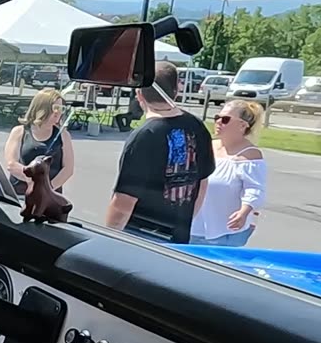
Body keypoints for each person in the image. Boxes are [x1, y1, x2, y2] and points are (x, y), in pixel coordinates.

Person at [104, 61, 215, 244]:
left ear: (138, 93)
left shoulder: (144, 136)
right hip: (178, 238)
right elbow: (201, 185)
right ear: (176, 90)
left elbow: (124, 201)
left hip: (139, 240)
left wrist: (108, 239)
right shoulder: (198, 127)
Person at [190, 100, 267, 246]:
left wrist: (244, 211)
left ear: (242, 126)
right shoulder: (207, 146)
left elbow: (255, 188)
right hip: (194, 226)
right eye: (217, 118)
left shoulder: (249, 155)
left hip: (225, 231)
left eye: (225, 119)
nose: (218, 122)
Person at [3, 88, 74, 197]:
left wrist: (48, 188)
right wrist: (33, 182)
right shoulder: (20, 131)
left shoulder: (63, 135)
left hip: (50, 197)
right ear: (42, 108)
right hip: (20, 194)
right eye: (55, 108)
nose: (58, 113)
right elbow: (11, 164)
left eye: (61, 108)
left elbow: (68, 169)